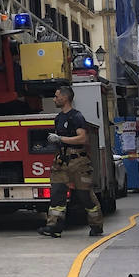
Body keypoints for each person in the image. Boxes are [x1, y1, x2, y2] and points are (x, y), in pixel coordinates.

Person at [38, 83, 102, 237]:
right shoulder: (59, 118)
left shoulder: (76, 116)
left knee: (85, 196)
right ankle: (54, 227)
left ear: (65, 98)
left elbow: (83, 138)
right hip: (61, 161)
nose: (54, 99)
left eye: (57, 96)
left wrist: (61, 138)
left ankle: (96, 226)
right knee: (57, 194)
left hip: (78, 162)